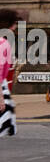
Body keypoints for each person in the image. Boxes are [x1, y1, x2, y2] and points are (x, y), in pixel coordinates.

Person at [1, 8, 19, 137]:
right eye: (13, 24)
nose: (15, 27)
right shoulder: (3, 43)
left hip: (4, 83)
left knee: (9, 108)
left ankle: (10, 126)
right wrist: (1, 97)